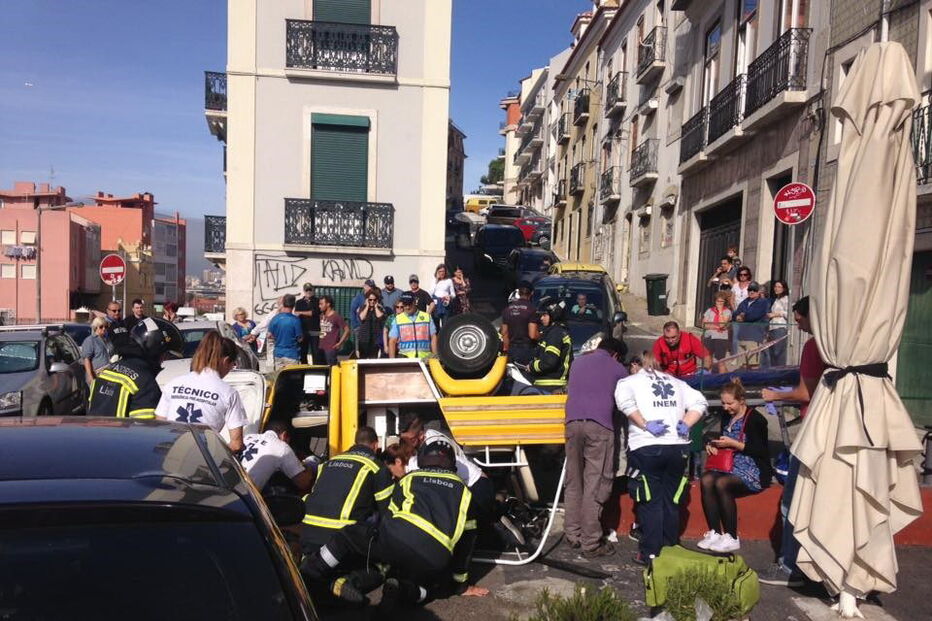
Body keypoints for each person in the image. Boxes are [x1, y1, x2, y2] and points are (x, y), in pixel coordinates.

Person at [301, 440, 476, 610]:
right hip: (435, 556)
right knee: (433, 588)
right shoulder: (465, 492)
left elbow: (389, 516)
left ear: (423, 458)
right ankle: (404, 590)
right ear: (451, 463)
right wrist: (461, 585)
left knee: (349, 537)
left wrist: (376, 541)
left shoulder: (409, 479)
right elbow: (466, 544)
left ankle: (310, 574)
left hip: (396, 540)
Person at [614, 352, 708, 564]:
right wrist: (686, 423)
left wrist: (645, 424)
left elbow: (625, 404)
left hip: (647, 445)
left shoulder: (629, 381)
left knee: (650, 501)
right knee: (672, 500)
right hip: (677, 448)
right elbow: (701, 402)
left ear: (637, 364)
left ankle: (650, 553)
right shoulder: (676, 382)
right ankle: (670, 549)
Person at [758, 296, 825, 588]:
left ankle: (789, 566)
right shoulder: (844, 345)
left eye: (799, 319)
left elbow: (805, 393)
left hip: (815, 431)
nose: (797, 324)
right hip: (837, 431)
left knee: (793, 500)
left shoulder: (814, 347)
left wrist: (777, 395)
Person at [564, 337, 629, 558]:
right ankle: (591, 542)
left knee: (574, 481)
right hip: (600, 427)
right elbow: (625, 400)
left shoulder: (578, 362)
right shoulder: (618, 368)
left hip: (572, 424)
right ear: (616, 354)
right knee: (596, 482)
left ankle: (572, 534)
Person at [698, 378, 771, 553]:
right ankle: (715, 532)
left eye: (730, 403)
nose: (725, 407)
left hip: (752, 468)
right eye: (723, 403)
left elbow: (761, 450)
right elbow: (715, 437)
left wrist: (735, 444)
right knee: (707, 479)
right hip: (729, 464)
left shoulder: (756, 420)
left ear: (741, 401)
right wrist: (710, 443)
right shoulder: (726, 416)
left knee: (722, 483)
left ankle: (731, 536)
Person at [300, 426, 393, 556]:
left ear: (355, 443)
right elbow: (387, 512)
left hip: (308, 532)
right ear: (376, 445)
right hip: (341, 540)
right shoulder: (376, 467)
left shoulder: (328, 462)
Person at [155, 331, 248, 452]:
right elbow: (237, 444)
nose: (231, 369)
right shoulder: (229, 393)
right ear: (226, 361)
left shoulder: (173, 383)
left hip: (169, 454)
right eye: (233, 364)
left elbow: (159, 424)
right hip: (200, 460)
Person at [87, 318, 183, 420]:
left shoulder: (107, 371)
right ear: (155, 351)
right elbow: (145, 429)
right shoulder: (145, 383)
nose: (163, 361)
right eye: (165, 355)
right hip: (117, 435)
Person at [240, 420, 314, 493]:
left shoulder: (248, 437)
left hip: (232, 487)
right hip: (246, 495)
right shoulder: (282, 447)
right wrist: (311, 464)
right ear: (284, 435)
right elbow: (303, 483)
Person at [525, 297, 573, 393]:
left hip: (550, 386)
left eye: (544, 315)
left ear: (554, 314)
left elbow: (549, 362)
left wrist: (531, 366)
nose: (541, 318)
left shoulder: (555, 333)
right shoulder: (553, 331)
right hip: (549, 385)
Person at [500, 281, 539, 365]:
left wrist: (506, 350)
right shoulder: (531, 309)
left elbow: (504, 333)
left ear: (519, 292)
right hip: (527, 350)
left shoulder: (507, 310)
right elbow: (532, 335)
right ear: (531, 293)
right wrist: (541, 336)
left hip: (512, 349)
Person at [388, 292, 437, 358]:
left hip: (424, 358)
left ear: (415, 302)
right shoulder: (398, 319)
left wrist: (435, 356)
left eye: (409, 304)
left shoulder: (427, 317)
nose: (407, 307)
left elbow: (433, 337)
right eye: (405, 304)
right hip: (405, 359)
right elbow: (392, 341)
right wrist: (392, 362)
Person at [733, 282, 771, 368]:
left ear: (758, 292)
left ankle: (752, 382)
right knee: (742, 366)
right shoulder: (744, 302)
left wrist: (743, 316)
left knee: (753, 365)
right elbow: (735, 313)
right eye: (750, 290)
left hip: (754, 338)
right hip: (742, 336)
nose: (752, 292)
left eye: (754, 290)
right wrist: (737, 317)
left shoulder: (763, 302)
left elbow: (754, 315)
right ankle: (743, 381)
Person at [267, 294, 303, 370]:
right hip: (291, 354)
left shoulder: (275, 319)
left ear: (283, 303)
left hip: (278, 353)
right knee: (292, 378)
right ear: (294, 305)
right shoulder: (295, 320)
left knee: (279, 378)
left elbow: (269, 335)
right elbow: (300, 338)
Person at [763, 280, 790, 367]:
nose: (776, 288)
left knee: (778, 352)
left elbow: (789, 314)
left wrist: (776, 314)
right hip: (772, 328)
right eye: (775, 286)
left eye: (779, 287)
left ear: (784, 288)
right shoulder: (776, 300)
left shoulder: (786, 299)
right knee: (772, 353)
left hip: (780, 328)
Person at [81, 317, 113, 386]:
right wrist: (90, 376)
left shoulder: (107, 340)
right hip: (96, 375)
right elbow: (86, 359)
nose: (104, 329)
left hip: (108, 374)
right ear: (95, 327)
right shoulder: (90, 340)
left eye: (106, 327)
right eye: (101, 327)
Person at [318, 295, 349, 365]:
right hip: (321, 347)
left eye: (321, 304)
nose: (319, 306)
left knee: (331, 369)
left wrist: (340, 343)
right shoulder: (321, 316)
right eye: (319, 304)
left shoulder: (336, 316)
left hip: (331, 348)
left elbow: (347, 330)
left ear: (328, 304)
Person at [702, 292, 733, 362]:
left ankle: (721, 373)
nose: (719, 303)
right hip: (709, 336)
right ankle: (708, 372)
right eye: (718, 301)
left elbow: (722, 325)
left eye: (722, 301)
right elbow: (704, 325)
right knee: (708, 359)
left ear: (725, 302)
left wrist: (720, 311)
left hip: (721, 338)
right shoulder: (709, 311)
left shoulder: (727, 312)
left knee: (720, 361)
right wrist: (715, 327)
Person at [294, 283, 320, 364]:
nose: (308, 291)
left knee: (315, 352)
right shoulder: (299, 302)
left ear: (313, 290)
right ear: (304, 291)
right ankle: (304, 368)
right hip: (303, 330)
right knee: (303, 352)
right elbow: (296, 314)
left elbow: (314, 313)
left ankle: (316, 369)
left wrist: (301, 312)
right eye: (307, 290)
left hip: (314, 330)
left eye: (310, 290)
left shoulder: (317, 301)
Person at [356, 288, 385, 359]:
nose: (372, 301)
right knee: (362, 359)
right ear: (367, 300)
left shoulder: (380, 308)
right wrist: (367, 306)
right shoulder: (362, 308)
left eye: (374, 300)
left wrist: (375, 307)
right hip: (364, 339)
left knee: (373, 359)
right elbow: (362, 318)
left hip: (375, 339)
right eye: (370, 299)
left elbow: (380, 317)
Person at [349, 280, 376, 354]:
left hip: (371, 329)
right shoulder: (358, 298)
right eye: (369, 286)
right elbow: (352, 312)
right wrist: (355, 326)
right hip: (360, 327)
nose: (371, 288)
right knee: (360, 350)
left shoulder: (375, 298)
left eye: (372, 287)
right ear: (365, 287)